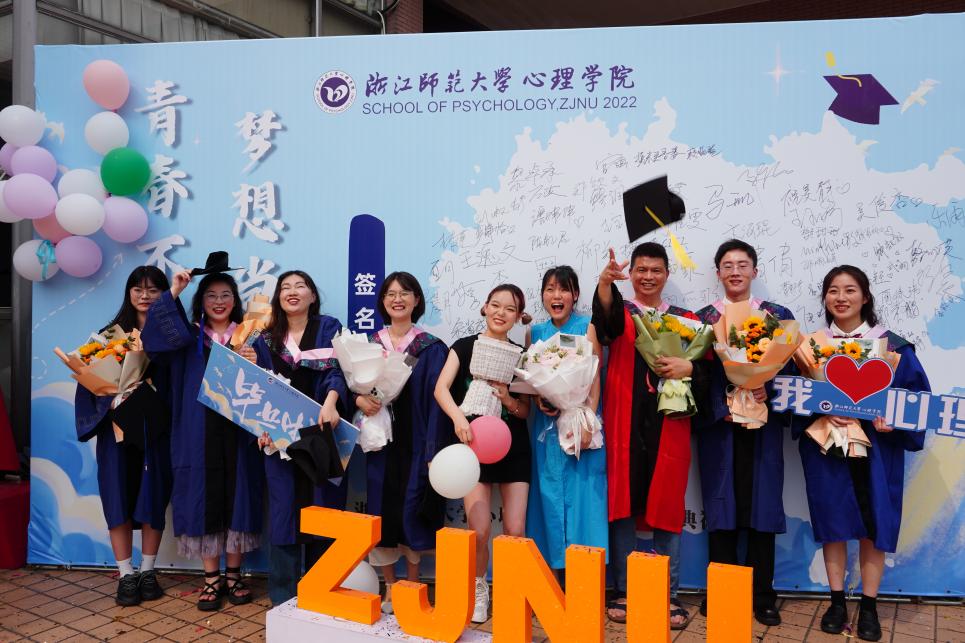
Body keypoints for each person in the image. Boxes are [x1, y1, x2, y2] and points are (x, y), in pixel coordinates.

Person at [798, 265, 929, 642]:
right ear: (825, 298)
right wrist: (822, 409)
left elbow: (917, 400)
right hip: (827, 446)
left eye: (850, 290)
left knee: (875, 524)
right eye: (833, 290)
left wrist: (895, 421)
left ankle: (869, 606)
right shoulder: (811, 348)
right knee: (833, 522)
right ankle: (837, 602)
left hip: (878, 450)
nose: (841, 298)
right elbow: (795, 397)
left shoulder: (894, 347)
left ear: (865, 297)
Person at [593, 243, 709, 629]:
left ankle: (668, 594)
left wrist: (689, 369)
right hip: (624, 420)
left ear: (666, 275)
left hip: (669, 421)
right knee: (623, 503)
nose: (647, 276)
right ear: (632, 274)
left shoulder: (686, 321)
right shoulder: (622, 314)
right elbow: (604, 328)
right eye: (640, 269)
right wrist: (605, 285)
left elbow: (709, 373)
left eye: (655, 270)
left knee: (667, 503)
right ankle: (624, 590)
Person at [142, 259, 264, 611]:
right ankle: (211, 578)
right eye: (211, 295)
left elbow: (269, 385)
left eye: (226, 295)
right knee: (200, 494)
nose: (219, 301)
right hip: (197, 430)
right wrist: (174, 290)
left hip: (239, 432)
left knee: (239, 494)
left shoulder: (250, 336)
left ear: (235, 300)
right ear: (201, 301)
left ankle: (234, 574)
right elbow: (154, 342)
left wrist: (256, 362)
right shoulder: (187, 337)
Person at [694, 239, 795, 626]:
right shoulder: (703, 320)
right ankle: (722, 591)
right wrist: (721, 407)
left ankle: (763, 595)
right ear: (718, 273)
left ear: (754, 270)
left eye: (742, 265)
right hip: (721, 428)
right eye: (727, 265)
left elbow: (792, 367)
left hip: (762, 427)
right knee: (722, 507)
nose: (735, 271)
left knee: (761, 507)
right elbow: (697, 374)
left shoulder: (776, 316)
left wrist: (768, 389)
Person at [244, 270, 349, 606]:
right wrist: (260, 426)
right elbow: (258, 387)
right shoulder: (265, 338)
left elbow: (338, 371)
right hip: (279, 437)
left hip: (322, 432)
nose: (293, 291)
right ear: (279, 297)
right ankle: (284, 597)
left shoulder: (329, 328)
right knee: (284, 511)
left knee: (324, 506)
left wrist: (332, 401)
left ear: (312, 296)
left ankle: (322, 593)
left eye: (300, 286)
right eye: (285, 287)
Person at [73, 266, 173, 606]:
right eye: (138, 289)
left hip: (155, 430)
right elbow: (88, 380)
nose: (145, 296)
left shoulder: (171, 335)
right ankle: (126, 573)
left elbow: (181, 381)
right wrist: (111, 397)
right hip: (115, 429)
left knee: (152, 494)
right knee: (117, 494)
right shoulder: (107, 337)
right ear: (128, 293)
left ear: (164, 294)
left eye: (153, 290)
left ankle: (148, 571)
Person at [434, 284, 532, 623]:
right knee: (479, 531)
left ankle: (512, 590)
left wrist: (507, 399)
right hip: (472, 445)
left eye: (510, 308)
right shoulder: (464, 346)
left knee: (515, 529)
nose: (501, 313)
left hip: (513, 448)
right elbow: (441, 389)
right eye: (496, 305)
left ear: (518, 316)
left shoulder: (522, 355)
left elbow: (524, 411)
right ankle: (479, 588)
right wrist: (459, 418)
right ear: (485, 308)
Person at [357, 272, 450, 614]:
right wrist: (358, 399)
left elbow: (437, 403)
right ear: (382, 301)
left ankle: (412, 584)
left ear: (416, 300)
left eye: (405, 293)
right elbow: (352, 387)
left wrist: (433, 450)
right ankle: (390, 586)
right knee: (382, 512)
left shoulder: (431, 348)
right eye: (391, 294)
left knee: (411, 511)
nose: (398, 299)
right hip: (380, 444)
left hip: (416, 443)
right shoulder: (369, 345)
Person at [525, 266, 608, 575]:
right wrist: (539, 399)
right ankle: (551, 580)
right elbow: (531, 381)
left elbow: (595, 378)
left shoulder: (588, 327)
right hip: (547, 430)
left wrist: (587, 418)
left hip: (580, 426)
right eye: (550, 289)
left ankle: (586, 578)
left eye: (563, 289)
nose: (556, 295)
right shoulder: (535, 333)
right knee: (549, 497)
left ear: (575, 295)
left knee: (584, 501)